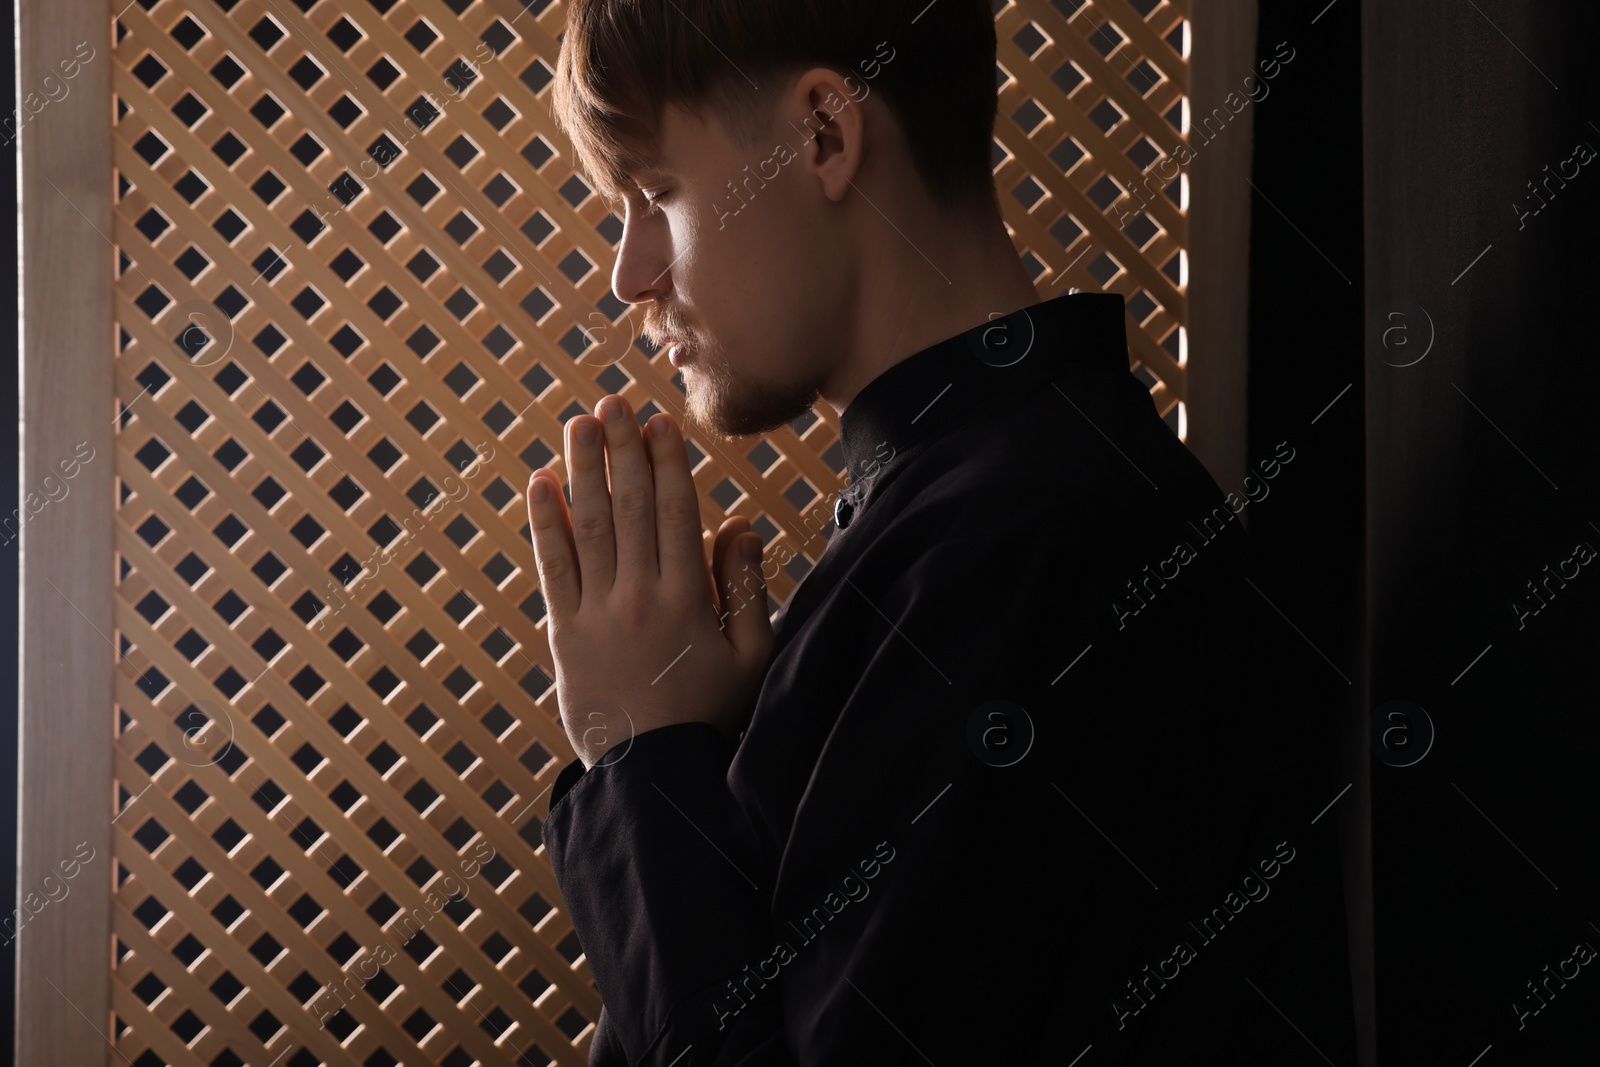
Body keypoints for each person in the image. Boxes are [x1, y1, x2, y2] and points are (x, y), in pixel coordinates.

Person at [524, 2, 1359, 1063]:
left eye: (654, 194)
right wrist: (727, 762)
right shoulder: (979, 511)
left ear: (821, 132)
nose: (628, 273)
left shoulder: (1022, 541)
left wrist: (644, 756)